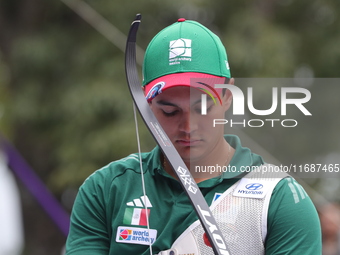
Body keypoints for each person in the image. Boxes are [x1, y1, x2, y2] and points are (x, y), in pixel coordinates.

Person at [65, 18, 321, 254]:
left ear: (227, 97)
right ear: (145, 105)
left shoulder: (280, 199)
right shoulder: (106, 189)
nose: (188, 126)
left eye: (202, 108)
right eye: (170, 111)